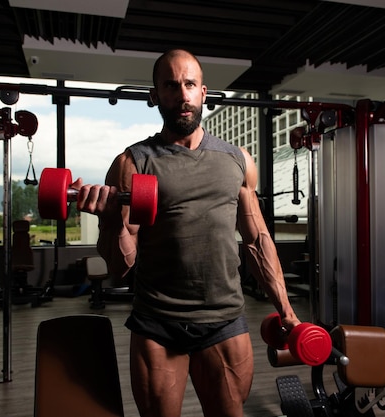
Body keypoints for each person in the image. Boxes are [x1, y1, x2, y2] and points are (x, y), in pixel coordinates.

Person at [72, 48, 302, 417]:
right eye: (170, 86)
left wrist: (287, 311)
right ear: (154, 96)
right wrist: (112, 220)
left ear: (203, 92)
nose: (182, 95)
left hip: (224, 320)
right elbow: (120, 267)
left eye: (189, 84)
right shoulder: (133, 162)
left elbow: (257, 239)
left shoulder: (237, 160)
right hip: (157, 322)